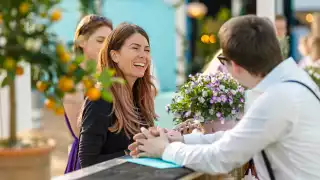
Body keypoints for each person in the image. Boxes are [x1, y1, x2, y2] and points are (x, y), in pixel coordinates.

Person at [129, 15, 320, 180]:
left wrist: (164, 149)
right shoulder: (294, 83)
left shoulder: (278, 98)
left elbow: (220, 158)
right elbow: (239, 138)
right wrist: (178, 140)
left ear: (234, 66)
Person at [78, 22, 157, 168]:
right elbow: (87, 163)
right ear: (114, 55)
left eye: (147, 50)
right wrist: (133, 152)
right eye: (135, 48)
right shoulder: (100, 99)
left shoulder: (140, 96)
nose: (143, 55)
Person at [64, 14, 113, 173]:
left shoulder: (108, 77)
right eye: (100, 40)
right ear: (81, 42)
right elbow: (81, 132)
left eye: (109, 41)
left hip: (110, 158)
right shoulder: (73, 82)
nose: (106, 46)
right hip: (87, 161)